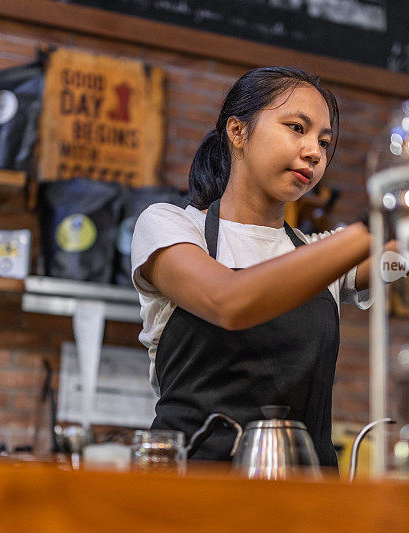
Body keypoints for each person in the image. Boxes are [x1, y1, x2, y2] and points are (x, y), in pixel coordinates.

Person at [130, 66, 373, 469]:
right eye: (297, 128)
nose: (315, 151)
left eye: (325, 142)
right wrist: (376, 226)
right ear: (238, 132)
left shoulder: (322, 254)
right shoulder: (169, 226)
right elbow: (229, 301)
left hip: (306, 507)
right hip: (192, 496)